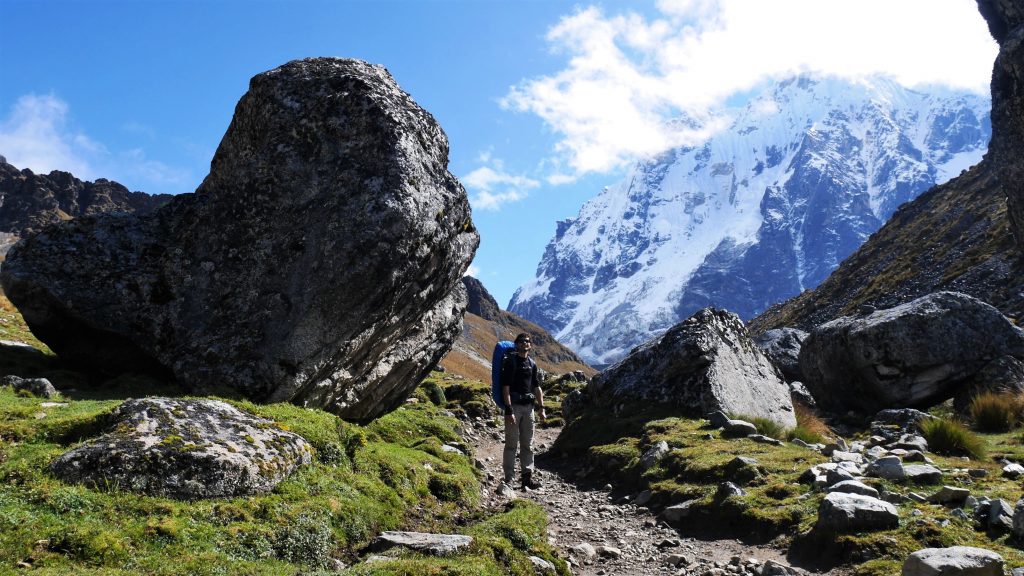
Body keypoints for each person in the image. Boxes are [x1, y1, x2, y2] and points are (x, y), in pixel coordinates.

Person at [500, 332, 546, 489]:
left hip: (529, 408)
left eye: (527, 341)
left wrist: (541, 407)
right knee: (511, 444)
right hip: (515, 407)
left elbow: (536, 386)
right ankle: (509, 478)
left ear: (530, 345)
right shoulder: (511, 362)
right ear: (517, 344)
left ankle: (527, 477)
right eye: (521, 341)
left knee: (528, 444)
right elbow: (505, 387)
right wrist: (508, 409)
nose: (525, 343)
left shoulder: (532, 364)